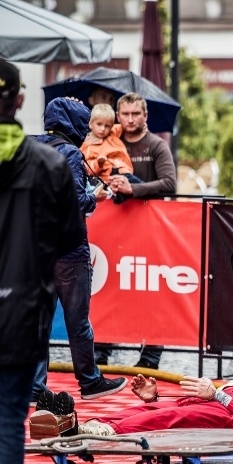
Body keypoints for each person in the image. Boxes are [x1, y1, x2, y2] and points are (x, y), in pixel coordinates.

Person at [0, 59, 85, 464]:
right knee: (9, 421)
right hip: (19, 310)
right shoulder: (51, 164)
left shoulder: (51, 162)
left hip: (20, 309)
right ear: (18, 100)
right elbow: (68, 240)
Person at [31, 97, 128, 402]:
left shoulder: (28, 146)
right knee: (77, 321)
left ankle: (34, 388)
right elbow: (74, 201)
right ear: (72, 124)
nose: (86, 132)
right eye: (84, 125)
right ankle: (89, 381)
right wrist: (95, 197)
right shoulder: (71, 153)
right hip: (69, 249)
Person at [95, 92, 178, 369]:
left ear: (145, 116)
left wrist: (135, 189)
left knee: (152, 293)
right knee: (108, 290)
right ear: (118, 116)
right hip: (112, 230)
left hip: (150, 231)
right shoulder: (109, 142)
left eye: (136, 114)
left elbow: (170, 183)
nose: (130, 119)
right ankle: (100, 350)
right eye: (126, 114)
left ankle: (150, 356)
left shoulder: (156, 144)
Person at [29, 375, 233, 439]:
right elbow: (191, 399)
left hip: (220, 417)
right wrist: (154, 398)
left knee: (170, 416)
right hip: (206, 408)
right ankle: (68, 422)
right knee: (149, 412)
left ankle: (98, 428)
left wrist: (218, 395)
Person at [80, 103, 134, 183]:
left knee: (141, 188)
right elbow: (87, 169)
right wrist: (98, 163)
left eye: (107, 126)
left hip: (124, 172)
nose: (103, 129)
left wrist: (141, 126)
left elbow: (125, 126)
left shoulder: (112, 133)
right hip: (107, 180)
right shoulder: (87, 146)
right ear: (90, 124)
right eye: (99, 124)